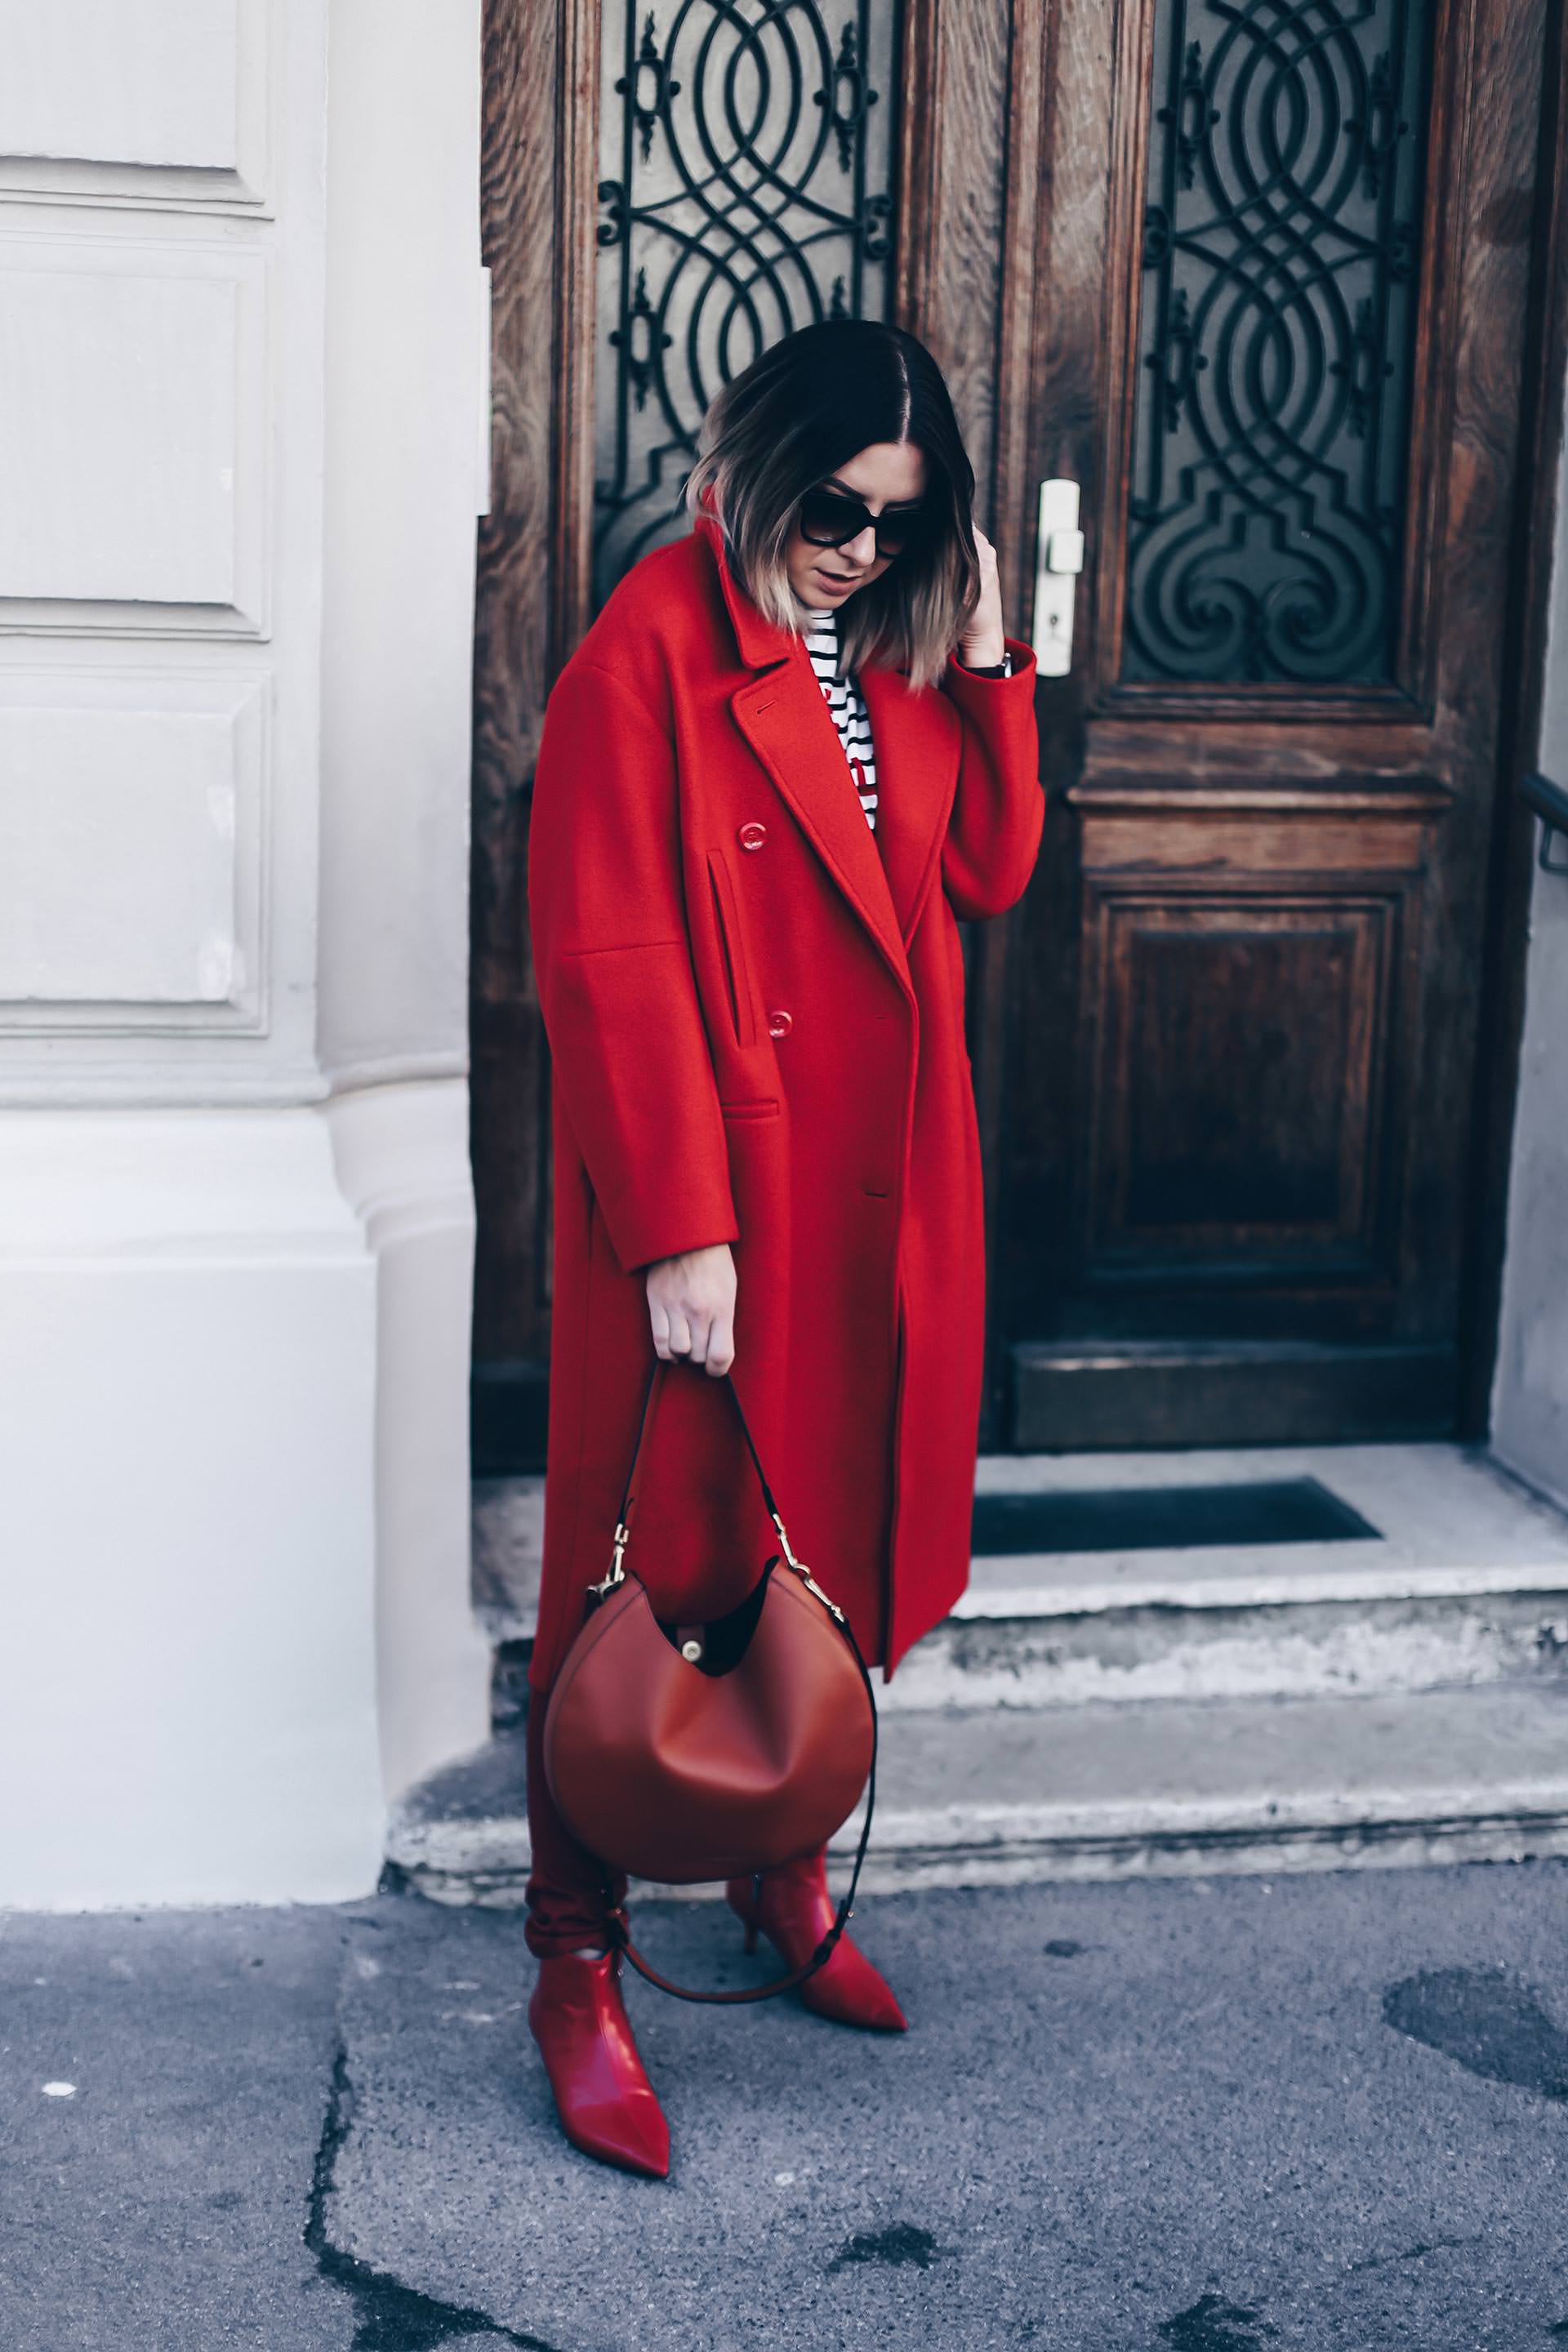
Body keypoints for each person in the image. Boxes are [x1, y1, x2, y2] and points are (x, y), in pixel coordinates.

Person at [523, 317, 1044, 2178]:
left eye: (900, 523)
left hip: (873, 1177)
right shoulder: (647, 647)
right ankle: (574, 1968)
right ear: (751, 464)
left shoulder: (900, 646)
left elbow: (986, 870)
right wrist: (679, 1228)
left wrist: (988, 655)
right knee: (635, 1569)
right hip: (711, 1190)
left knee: (811, 1535)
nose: (856, 548)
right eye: (832, 508)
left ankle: (778, 1868)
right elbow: (606, 954)